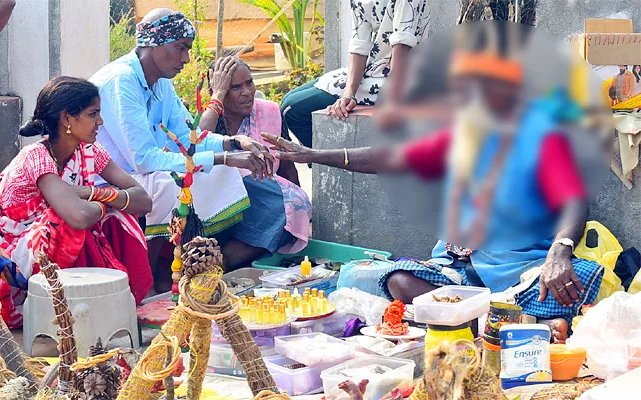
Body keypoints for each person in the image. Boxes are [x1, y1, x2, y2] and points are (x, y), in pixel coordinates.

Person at [261, 22, 604, 341]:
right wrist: (312, 154)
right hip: (456, 271)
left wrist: (560, 252)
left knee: (581, 278)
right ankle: (505, 325)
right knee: (393, 279)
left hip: (520, 268)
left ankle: (484, 321)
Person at [89, 8, 276, 291]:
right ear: (154, 43)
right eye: (180, 48)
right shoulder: (122, 80)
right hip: (103, 179)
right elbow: (144, 160)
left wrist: (235, 143)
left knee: (219, 172)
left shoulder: (162, 84)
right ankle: (148, 278)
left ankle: (183, 269)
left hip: (139, 174)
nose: (186, 59)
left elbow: (190, 138)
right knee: (168, 182)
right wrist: (224, 156)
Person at [0, 76, 154, 328]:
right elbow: (76, 216)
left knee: (120, 215)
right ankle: (75, 309)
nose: (100, 121)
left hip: (45, 251)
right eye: (93, 114)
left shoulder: (89, 150)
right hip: (9, 260)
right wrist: (109, 199)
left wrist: (95, 194)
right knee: (64, 223)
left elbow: (143, 201)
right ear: (67, 119)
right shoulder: (37, 156)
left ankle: (109, 298)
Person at [198, 57, 311, 263]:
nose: (246, 92)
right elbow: (199, 141)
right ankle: (216, 262)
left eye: (249, 82)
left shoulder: (269, 112)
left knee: (292, 208)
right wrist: (218, 95)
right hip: (223, 204)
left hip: (264, 203)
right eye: (235, 87)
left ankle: (221, 262)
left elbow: (286, 165)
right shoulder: (210, 118)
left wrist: (300, 200)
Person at [279, 0, 431, 148]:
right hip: (371, 70)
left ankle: (327, 162)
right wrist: (349, 93)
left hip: (400, 78)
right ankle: (320, 161)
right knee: (287, 101)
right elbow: (359, 44)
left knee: (292, 109)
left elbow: (402, 44)